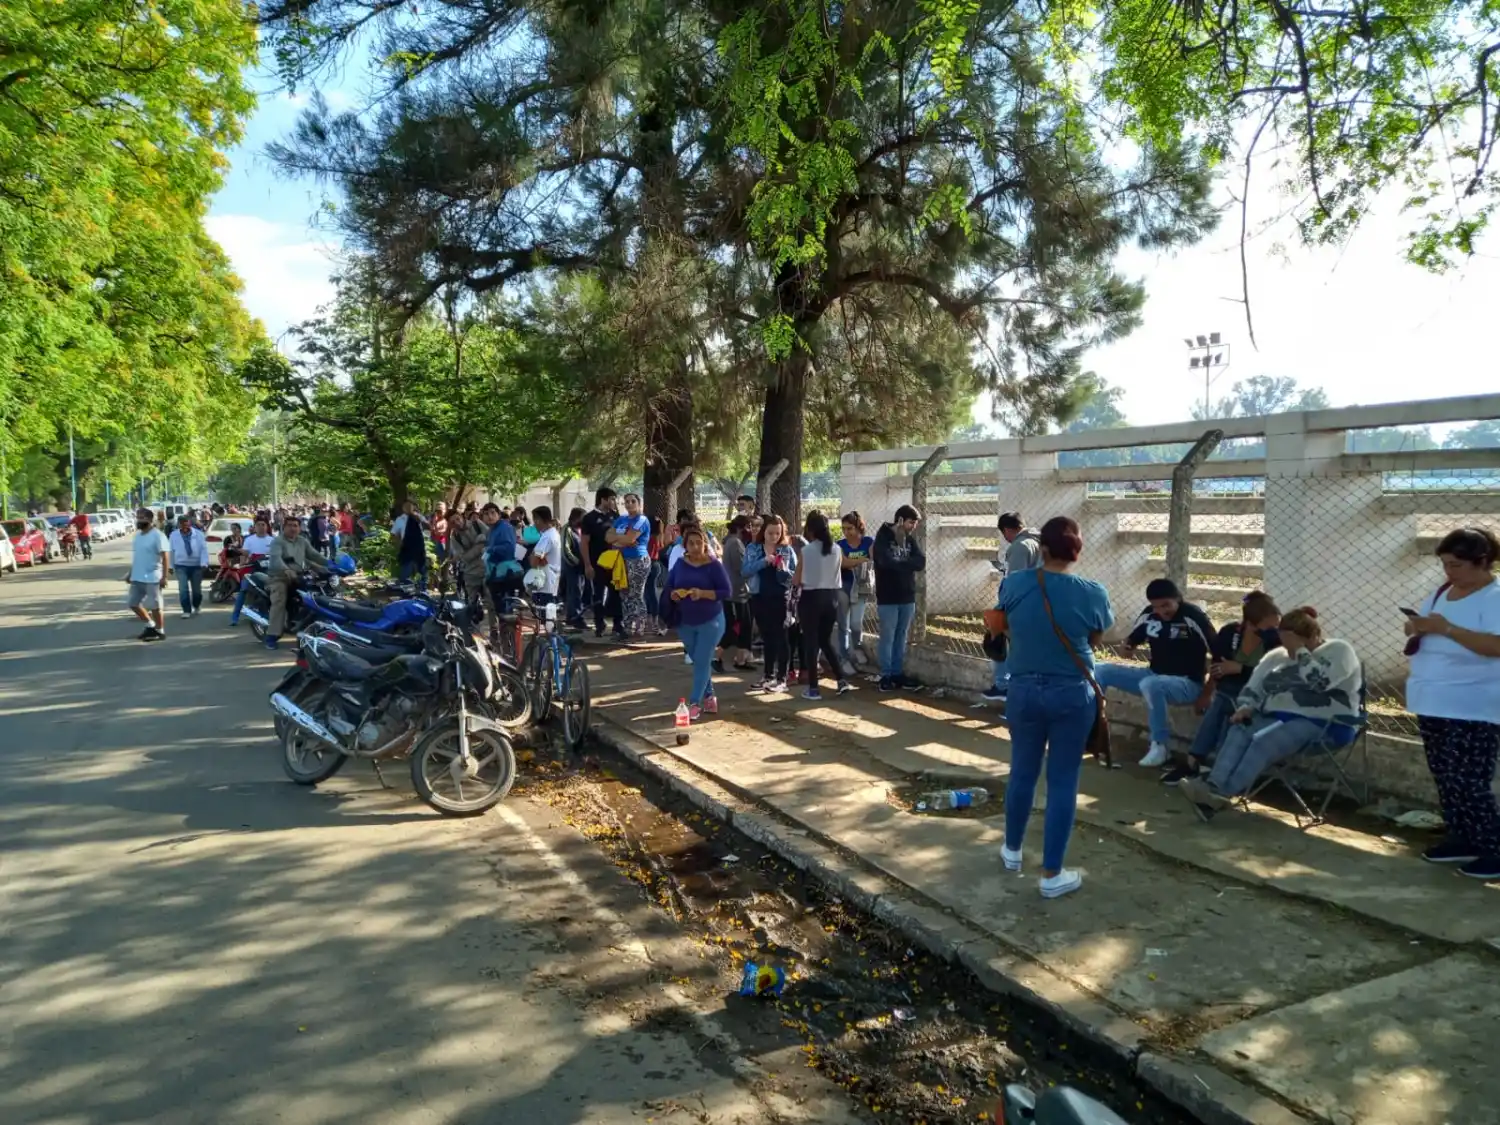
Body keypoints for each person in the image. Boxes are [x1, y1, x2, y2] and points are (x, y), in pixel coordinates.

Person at [994, 516, 1112, 899]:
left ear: (1041, 548)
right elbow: (1094, 637)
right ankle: (1051, 874)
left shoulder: (1015, 582)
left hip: (1023, 690)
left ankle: (1012, 851)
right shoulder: (1093, 591)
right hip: (1071, 694)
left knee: (1022, 772)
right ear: (1077, 550)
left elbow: (1004, 623)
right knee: (1062, 781)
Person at [1180, 607, 1362, 818]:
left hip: (1326, 723)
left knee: (1263, 741)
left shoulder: (1339, 650)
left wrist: (1301, 652)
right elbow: (1253, 687)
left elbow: (1319, 683)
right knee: (1240, 728)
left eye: (1292, 642)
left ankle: (1220, 794)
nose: (1287, 649)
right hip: (1274, 718)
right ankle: (1213, 788)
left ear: (1313, 636)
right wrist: (1246, 706)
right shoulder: (1276, 656)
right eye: (1285, 642)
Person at [1404, 527, 1500, 880]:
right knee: (1445, 776)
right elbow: (1425, 625)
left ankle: (1493, 846)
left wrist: (1446, 630)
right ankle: (1462, 838)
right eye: (1445, 564)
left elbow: (1496, 646)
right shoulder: (1443, 591)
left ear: (1483, 561)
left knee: (1469, 780)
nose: (1449, 572)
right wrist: (1416, 626)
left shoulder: (1494, 597)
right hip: (1433, 699)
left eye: (1456, 565)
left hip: (1471, 703)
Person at [1162, 592, 1283, 786]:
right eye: (1270, 626)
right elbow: (1218, 668)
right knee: (1223, 700)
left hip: (1260, 694)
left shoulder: (1276, 642)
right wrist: (1206, 693)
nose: (1276, 630)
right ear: (1251, 624)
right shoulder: (1230, 634)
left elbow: (1276, 676)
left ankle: (1198, 762)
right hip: (1230, 691)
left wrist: (1240, 668)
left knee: (1228, 703)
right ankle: (1204, 765)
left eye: (1278, 625)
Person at [1093, 579, 1216, 767]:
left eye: (1166, 605)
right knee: (1100, 670)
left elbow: (1219, 657)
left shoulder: (1193, 617)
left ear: (1178, 599)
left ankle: (1160, 746)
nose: (1161, 611)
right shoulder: (1150, 615)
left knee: (1151, 684)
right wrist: (1128, 647)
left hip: (1188, 684)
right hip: (1153, 674)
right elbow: (1132, 640)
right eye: (1156, 606)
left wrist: (1207, 694)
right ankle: (1092, 731)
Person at [665, 525, 732, 720]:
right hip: (685, 622)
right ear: (685, 545)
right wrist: (674, 594)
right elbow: (670, 585)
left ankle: (694, 703)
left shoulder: (714, 566)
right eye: (691, 543)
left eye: (699, 543)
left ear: (705, 544)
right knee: (699, 661)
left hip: (711, 621)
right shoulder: (679, 564)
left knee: (702, 661)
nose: (695, 547)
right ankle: (710, 696)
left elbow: (726, 591)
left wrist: (702, 593)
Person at [980, 513, 1042, 703]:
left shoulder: (1020, 547)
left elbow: (1015, 583)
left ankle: (1011, 694)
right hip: (1038, 606)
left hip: (1020, 608)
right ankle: (1010, 690)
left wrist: (1000, 609)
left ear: (1007, 530)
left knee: (1012, 651)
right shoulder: (1040, 542)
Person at [794, 510, 849, 700]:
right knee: (825, 640)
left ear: (809, 529)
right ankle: (841, 679)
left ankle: (813, 688)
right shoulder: (836, 549)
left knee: (810, 641)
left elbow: (796, 579)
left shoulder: (806, 550)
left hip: (811, 598)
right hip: (832, 598)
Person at [872, 504, 926, 692]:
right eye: (912, 522)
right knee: (888, 637)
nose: (914, 526)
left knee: (901, 636)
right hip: (888, 596)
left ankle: (897, 673)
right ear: (901, 520)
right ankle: (886, 674)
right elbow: (885, 562)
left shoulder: (909, 541)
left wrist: (901, 564)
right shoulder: (883, 538)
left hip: (907, 596)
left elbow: (920, 561)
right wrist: (906, 564)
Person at [743, 515, 797, 693]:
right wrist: (763, 561)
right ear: (763, 532)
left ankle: (782, 678)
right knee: (767, 637)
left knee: (781, 636)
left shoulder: (786, 550)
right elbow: (745, 571)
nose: (774, 537)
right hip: (759, 596)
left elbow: (794, 575)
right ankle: (768, 675)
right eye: (770, 533)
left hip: (781, 597)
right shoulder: (753, 548)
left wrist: (783, 569)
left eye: (778, 533)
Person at [264, 515, 329, 650]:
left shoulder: (302, 541)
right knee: (279, 599)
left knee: (315, 593)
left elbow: (314, 555)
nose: (293, 528)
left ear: (300, 528)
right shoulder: (278, 541)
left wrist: (331, 563)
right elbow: (276, 559)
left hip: (299, 576)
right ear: (284, 527)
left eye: (295, 526)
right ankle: (272, 635)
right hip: (279, 577)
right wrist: (286, 569)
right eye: (290, 525)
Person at [580, 488, 624, 640]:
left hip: (614, 562)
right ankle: (600, 624)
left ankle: (618, 624)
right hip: (596, 563)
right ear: (603, 499)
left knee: (616, 592)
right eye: (611, 499)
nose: (614, 502)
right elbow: (584, 542)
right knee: (598, 593)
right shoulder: (589, 518)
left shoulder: (615, 516)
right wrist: (587, 565)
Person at [124, 508, 172, 642]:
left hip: (153, 577)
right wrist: (130, 573)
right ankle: (150, 625)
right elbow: (137, 557)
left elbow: (165, 556)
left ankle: (160, 631)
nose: (139, 520)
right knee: (133, 603)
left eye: (142, 517)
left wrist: (165, 576)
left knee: (155, 606)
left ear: (150, 520)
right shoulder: (137, 536)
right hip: (137, 576)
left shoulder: (158, 535)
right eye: (138, 517)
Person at [608, 492, 652, 635]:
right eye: (626, 501)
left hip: (638, 560)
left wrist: (621, 539)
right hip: (621, 560)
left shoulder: (642, 520)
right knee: (624, 594)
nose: (629, 504)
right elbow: (608, 537)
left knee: (636, 594)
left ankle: (639, 626)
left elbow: (630, 539)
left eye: (633, 501)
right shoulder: (621, 519)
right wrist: (624, 539)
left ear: (639, 503)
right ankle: (627, 627)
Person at [716, 515, 756, 673]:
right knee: (735, 627)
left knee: (744, 627)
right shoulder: (736, 544)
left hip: (737, 592)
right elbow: (743, 568)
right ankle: (718, 656)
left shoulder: (730, 542)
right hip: (736, 594)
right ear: (741, 528)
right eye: (748, 527)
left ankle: (741, 659)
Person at [837, 512, 874, 674]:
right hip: (843, 586)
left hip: (861, 588)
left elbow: (873, 560)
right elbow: (843, 563)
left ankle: (857, 646)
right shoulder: (839, 544)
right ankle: (843, 659)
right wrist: (860, 561)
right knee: (843, 626)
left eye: (849, 528)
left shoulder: (868, 542)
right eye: (843, 528)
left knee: (856, 624)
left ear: (858, 527)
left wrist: (853, 563)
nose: (846, 532)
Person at [227, 517, 276, 627]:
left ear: (267, 526)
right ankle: (234, 617)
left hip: (268, 571)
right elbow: (245, 554)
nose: (261, 527)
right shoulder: (249, 540)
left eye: (263, 524)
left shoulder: (272, 540)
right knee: (243, 591)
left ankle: (267, 616)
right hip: (252, 569)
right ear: (254, 527)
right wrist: (242, 564)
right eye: (258, 525)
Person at [481, 502, 523, 624]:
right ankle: (505, 637)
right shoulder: (491, 530)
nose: (490, 516)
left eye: (493, 513)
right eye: (486, 514)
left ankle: (510, 639)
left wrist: (490, 550)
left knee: (505, 611)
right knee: (501, 611)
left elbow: (509, 548)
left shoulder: (504, 527)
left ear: (499, 514)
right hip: (496, 574)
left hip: (505, 574)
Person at [448, 508, 491, 625]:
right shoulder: (455, 537)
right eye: (453, 522)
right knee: (471, 605)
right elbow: (463, 557)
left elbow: (490, 539)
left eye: (457, 519)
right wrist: (479, 545)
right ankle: (472, 631)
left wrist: (473, 550)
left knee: (491, 604)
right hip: (471, 573)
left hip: (488, 570)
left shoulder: (477, 524)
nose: (457, 523)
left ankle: (494, 631)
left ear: (462, 517)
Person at [168, 513, 210, 619]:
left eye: (186, 524)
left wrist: (204, 563)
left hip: (196, 566)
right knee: (183, 589)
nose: (184, 527)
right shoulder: (174, 535)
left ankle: (196, 605)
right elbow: (171, 551)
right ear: (179, 525)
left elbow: (203, 550)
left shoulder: (199, 534)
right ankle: (186, 610)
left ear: (190, 524)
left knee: (196, 590)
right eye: (182, 525)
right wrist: (170, 565)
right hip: (180, 565)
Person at [390, 500, 429, 587]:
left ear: (413, 507)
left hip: (419, 547)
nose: (408, 508)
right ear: (403, 508)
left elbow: (428, 527)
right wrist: (398, 543)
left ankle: (423, 588)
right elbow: (393, 534)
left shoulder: (419, 516)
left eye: (410, 506)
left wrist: (416, 517)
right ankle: (405, 589)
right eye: (406, 507)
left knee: (422, 569)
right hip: (407, 547)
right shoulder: (400, 519)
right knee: (406, 569)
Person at [528, 505, 563, 602]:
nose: (534, 524)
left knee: (543, 614)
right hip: (551, 581)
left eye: (534, 520)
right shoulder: (554, 533)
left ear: (538, 520)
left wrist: (532, 556)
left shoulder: (547, 537)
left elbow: (534, 561)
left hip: (544, 584)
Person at [561, 507, 587, 629]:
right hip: (572, 567)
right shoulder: (568, 529)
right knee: (574, 592)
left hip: (581, 566)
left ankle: (575, 616)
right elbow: (566, 550)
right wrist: (576, 562)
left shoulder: (580, 529)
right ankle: (574, 618)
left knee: (579, 592)